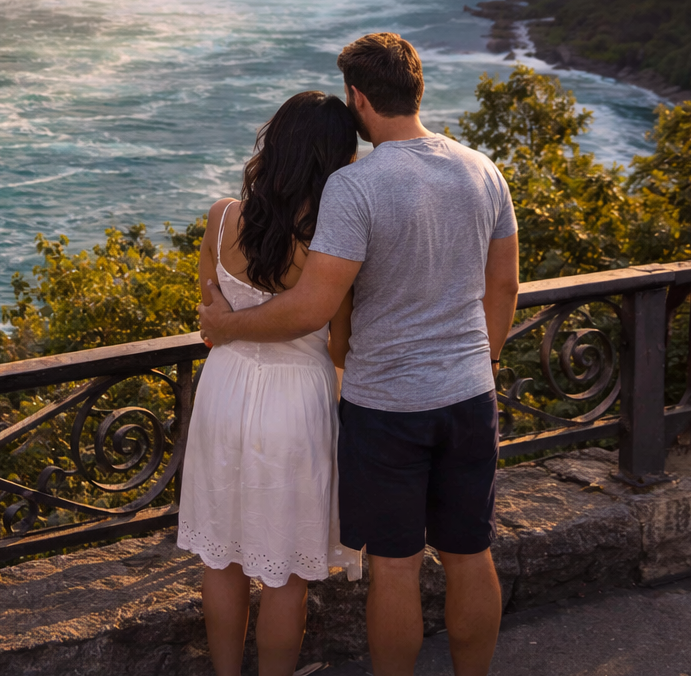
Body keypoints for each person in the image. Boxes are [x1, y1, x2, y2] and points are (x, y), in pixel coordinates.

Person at [199, 34, 520, 676]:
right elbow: (505, 286)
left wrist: (227, 326)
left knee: (396, 568)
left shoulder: (354, 186)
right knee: (470, 553)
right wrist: (481, 364)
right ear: (417, 88)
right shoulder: (482, 169)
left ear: (359, 98)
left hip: (387, 405)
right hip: (467, 393)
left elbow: (312, 308)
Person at [177, 91, 362, 676]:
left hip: (224, 390)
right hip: (296, 398)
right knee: (286, 574)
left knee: (222, 559)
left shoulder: (222, 218)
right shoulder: (328, 238)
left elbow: (211, 321)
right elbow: (338, 344)